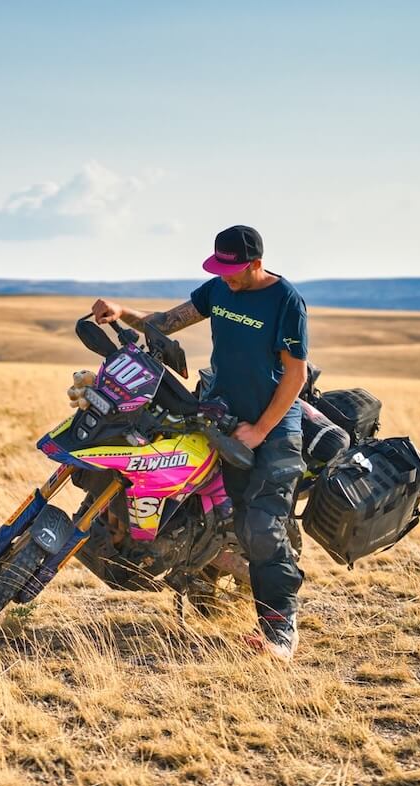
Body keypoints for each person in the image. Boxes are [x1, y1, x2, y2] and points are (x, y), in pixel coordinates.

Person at [91, 225, 309, 660]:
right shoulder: (218, 290)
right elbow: (166, 323)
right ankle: (202, 578)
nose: (225, 276)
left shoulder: (285, 300)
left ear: (256, 264)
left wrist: (261, 430)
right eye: (220, 268)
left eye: (233, 269)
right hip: (220, 417)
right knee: (217, 511)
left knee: (263, 529)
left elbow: (296, 375)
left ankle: (280, 630)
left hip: (275, 429)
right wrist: (121, 312)